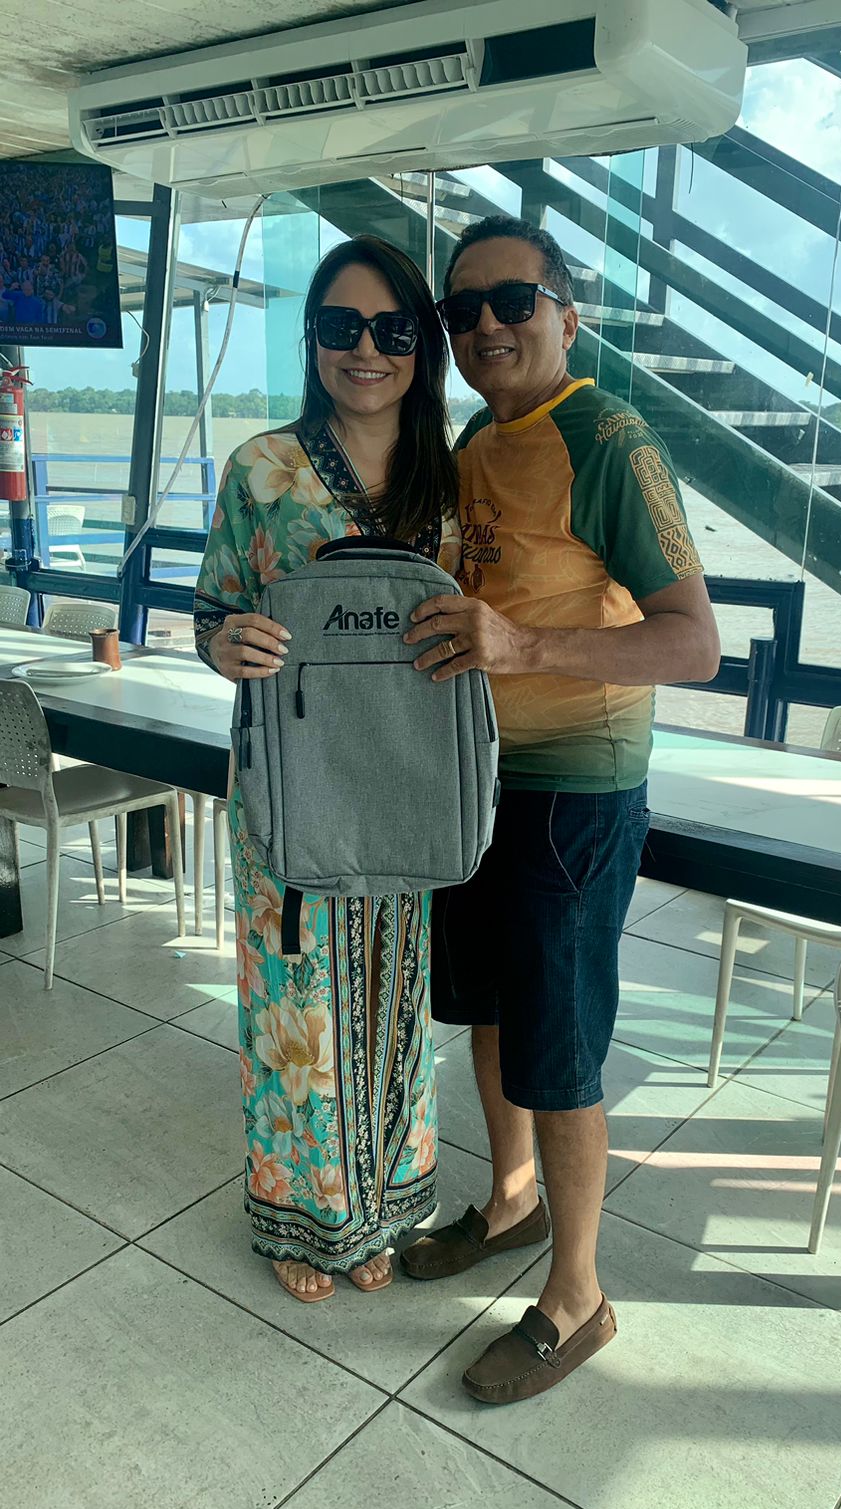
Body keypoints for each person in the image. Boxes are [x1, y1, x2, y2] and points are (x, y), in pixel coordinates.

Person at [401, 215, 720, 1402]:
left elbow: (694, 644)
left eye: (512, 301)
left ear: (566, 316)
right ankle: (512, 1199)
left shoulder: (610, 439)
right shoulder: (474, 439)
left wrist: (524, 645)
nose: (486, 324)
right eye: (463, 309)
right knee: (489, 1011)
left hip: (574, 797)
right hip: (477, 781)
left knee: (564, 1048)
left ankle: (579, 1296)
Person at [194, 236, 459, 1303]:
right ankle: (300, 1218)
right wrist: (225, 644)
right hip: (290, 779)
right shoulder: (261, 468)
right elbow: (212, 608)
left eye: (392, 329)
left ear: (422, 345)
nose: (367, 350)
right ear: (312, 339)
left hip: (408, 776)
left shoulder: (453, 473)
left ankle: (381, 1206)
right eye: (342, 326)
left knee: (396, 996)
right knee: (294, 1002)